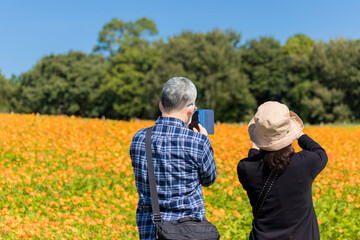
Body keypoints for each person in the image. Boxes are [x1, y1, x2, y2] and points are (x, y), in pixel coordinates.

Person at [130, 77, 217, 240]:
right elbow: (209, 179)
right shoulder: (198, 142)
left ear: (161, 104)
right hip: (190, 231)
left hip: (152, 230)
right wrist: (205, 141)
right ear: (191, 110)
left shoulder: (139, 138)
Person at [237, 101, 328, 240]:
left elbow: (254, 159)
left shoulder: (245, 168)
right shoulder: (305, 163)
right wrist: (300, 134)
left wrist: (257, 143)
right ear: (290, 132)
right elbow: (320, 153)